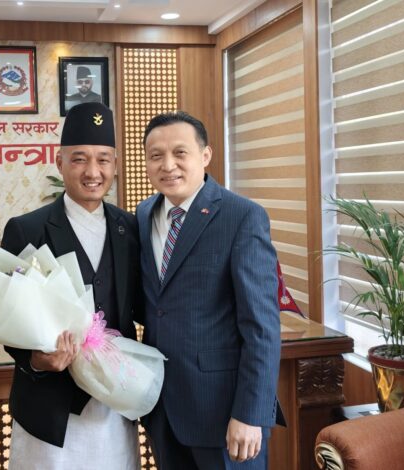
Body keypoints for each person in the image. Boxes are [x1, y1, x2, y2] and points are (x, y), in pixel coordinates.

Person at [136, 111, 285, 469]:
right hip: (163, 409)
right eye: (156, 155)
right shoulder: (143, 214)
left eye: (180, 153)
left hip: (225, 413)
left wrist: (251, 413)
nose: (167, 165)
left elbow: (262, 327)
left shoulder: (242, 216)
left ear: (205, 156)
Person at [0, 102, 142, 469]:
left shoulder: (131, 229)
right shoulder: (27, 230)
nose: (93, 172)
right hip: (49, 413)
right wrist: (36, 360)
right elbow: (5, 320)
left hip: (114, 404)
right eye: (79, 159)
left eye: (103, 160)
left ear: (115, 164)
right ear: (60, 162)